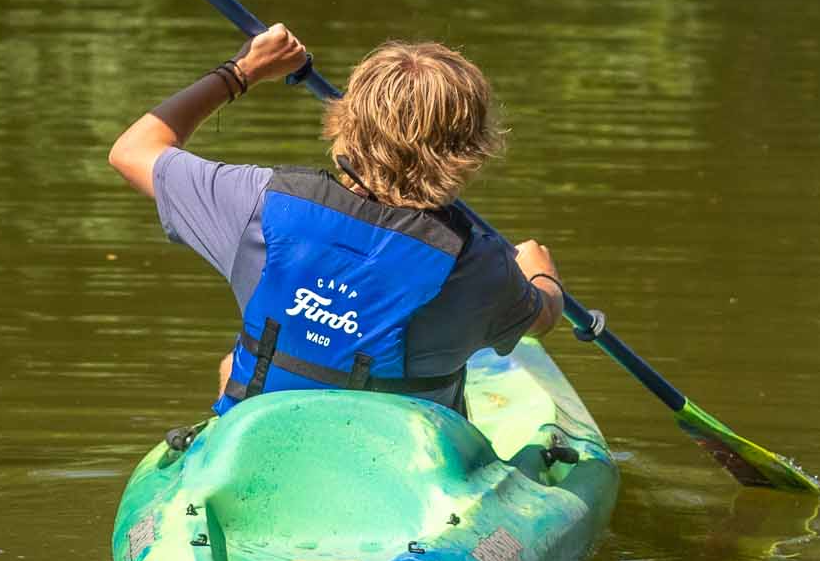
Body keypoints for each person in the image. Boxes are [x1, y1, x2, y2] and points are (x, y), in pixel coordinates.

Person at [108, 25, 564, 415]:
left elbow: (131, 151)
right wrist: (539, 273)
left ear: (344, 120)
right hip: (402, 474)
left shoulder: (260, 204)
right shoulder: (483, 264)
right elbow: (540, 317)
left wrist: (242, 71)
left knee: (235, 364)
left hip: (262, 438)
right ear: (473, 150)